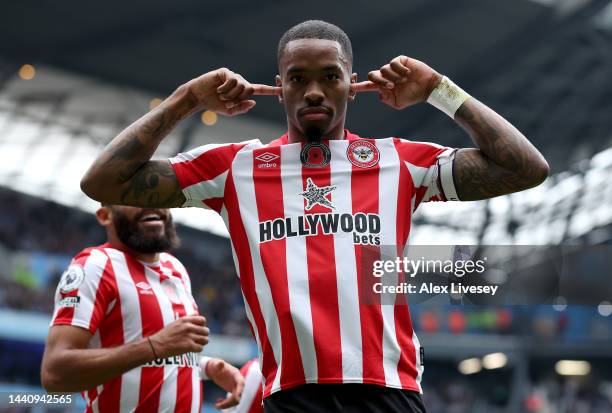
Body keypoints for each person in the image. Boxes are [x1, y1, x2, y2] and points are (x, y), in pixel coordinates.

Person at [79, 19, 549, 412]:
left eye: (330, 76)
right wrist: (187, 98)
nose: (315, 91)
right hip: (291, 395)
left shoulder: (400, 162)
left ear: (352, 84)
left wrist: (436, 90)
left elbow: (525, 168)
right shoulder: (233, 167)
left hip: (390, 392)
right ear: (278, 86)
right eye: (298, 78)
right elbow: (103, 183)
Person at [40, 204, 244, 412]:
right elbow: (55, 373)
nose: (150, 202)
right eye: (134, 196)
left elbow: (156, 359)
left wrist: (207, 367)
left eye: (157, 195)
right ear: (105, 216)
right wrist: (153, 346)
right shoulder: (96, 265)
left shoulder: (176, 269)